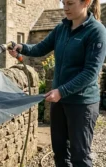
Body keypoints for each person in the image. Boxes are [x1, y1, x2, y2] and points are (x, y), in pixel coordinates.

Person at [8, 0, 106, 166]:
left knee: (80, 157)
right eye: (63, 3)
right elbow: (40, 48)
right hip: (59, 101)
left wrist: (61, 91)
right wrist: (22, 47)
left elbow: (90, 72)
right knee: (60, 152)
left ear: (86, 3)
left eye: (70, 3)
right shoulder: (62, 28)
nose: (65, 8)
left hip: (82, 104)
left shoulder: (96, 31)